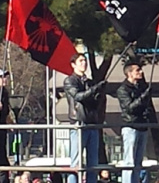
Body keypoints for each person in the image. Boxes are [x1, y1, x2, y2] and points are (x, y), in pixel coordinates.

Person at [64, 53, 106, 183]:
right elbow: (78, 96)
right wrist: (94, 90)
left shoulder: (89, 82)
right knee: (76, 162)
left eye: (85, 60)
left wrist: (99, 92)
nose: (84, 63)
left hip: (92, 123)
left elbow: (94, 102)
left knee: (92, 163)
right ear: (73, 64)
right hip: (79, 123)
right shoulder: (70, 80)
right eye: (81, 61)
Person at [116, 62, 151, 183]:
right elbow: (129, 108)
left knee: (138, 162)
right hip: (130, 126)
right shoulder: (123, 89)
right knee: (129, 161)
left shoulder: (141, 87)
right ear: (129, 73)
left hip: (142, 126)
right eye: (137, 70)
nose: (141, 72)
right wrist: (142, 98)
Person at [0, 69, 10, 183]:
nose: (5, 79)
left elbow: (6, 112)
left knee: (3, 158)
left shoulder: (4, 93)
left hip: (2, 132)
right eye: (2, 77)